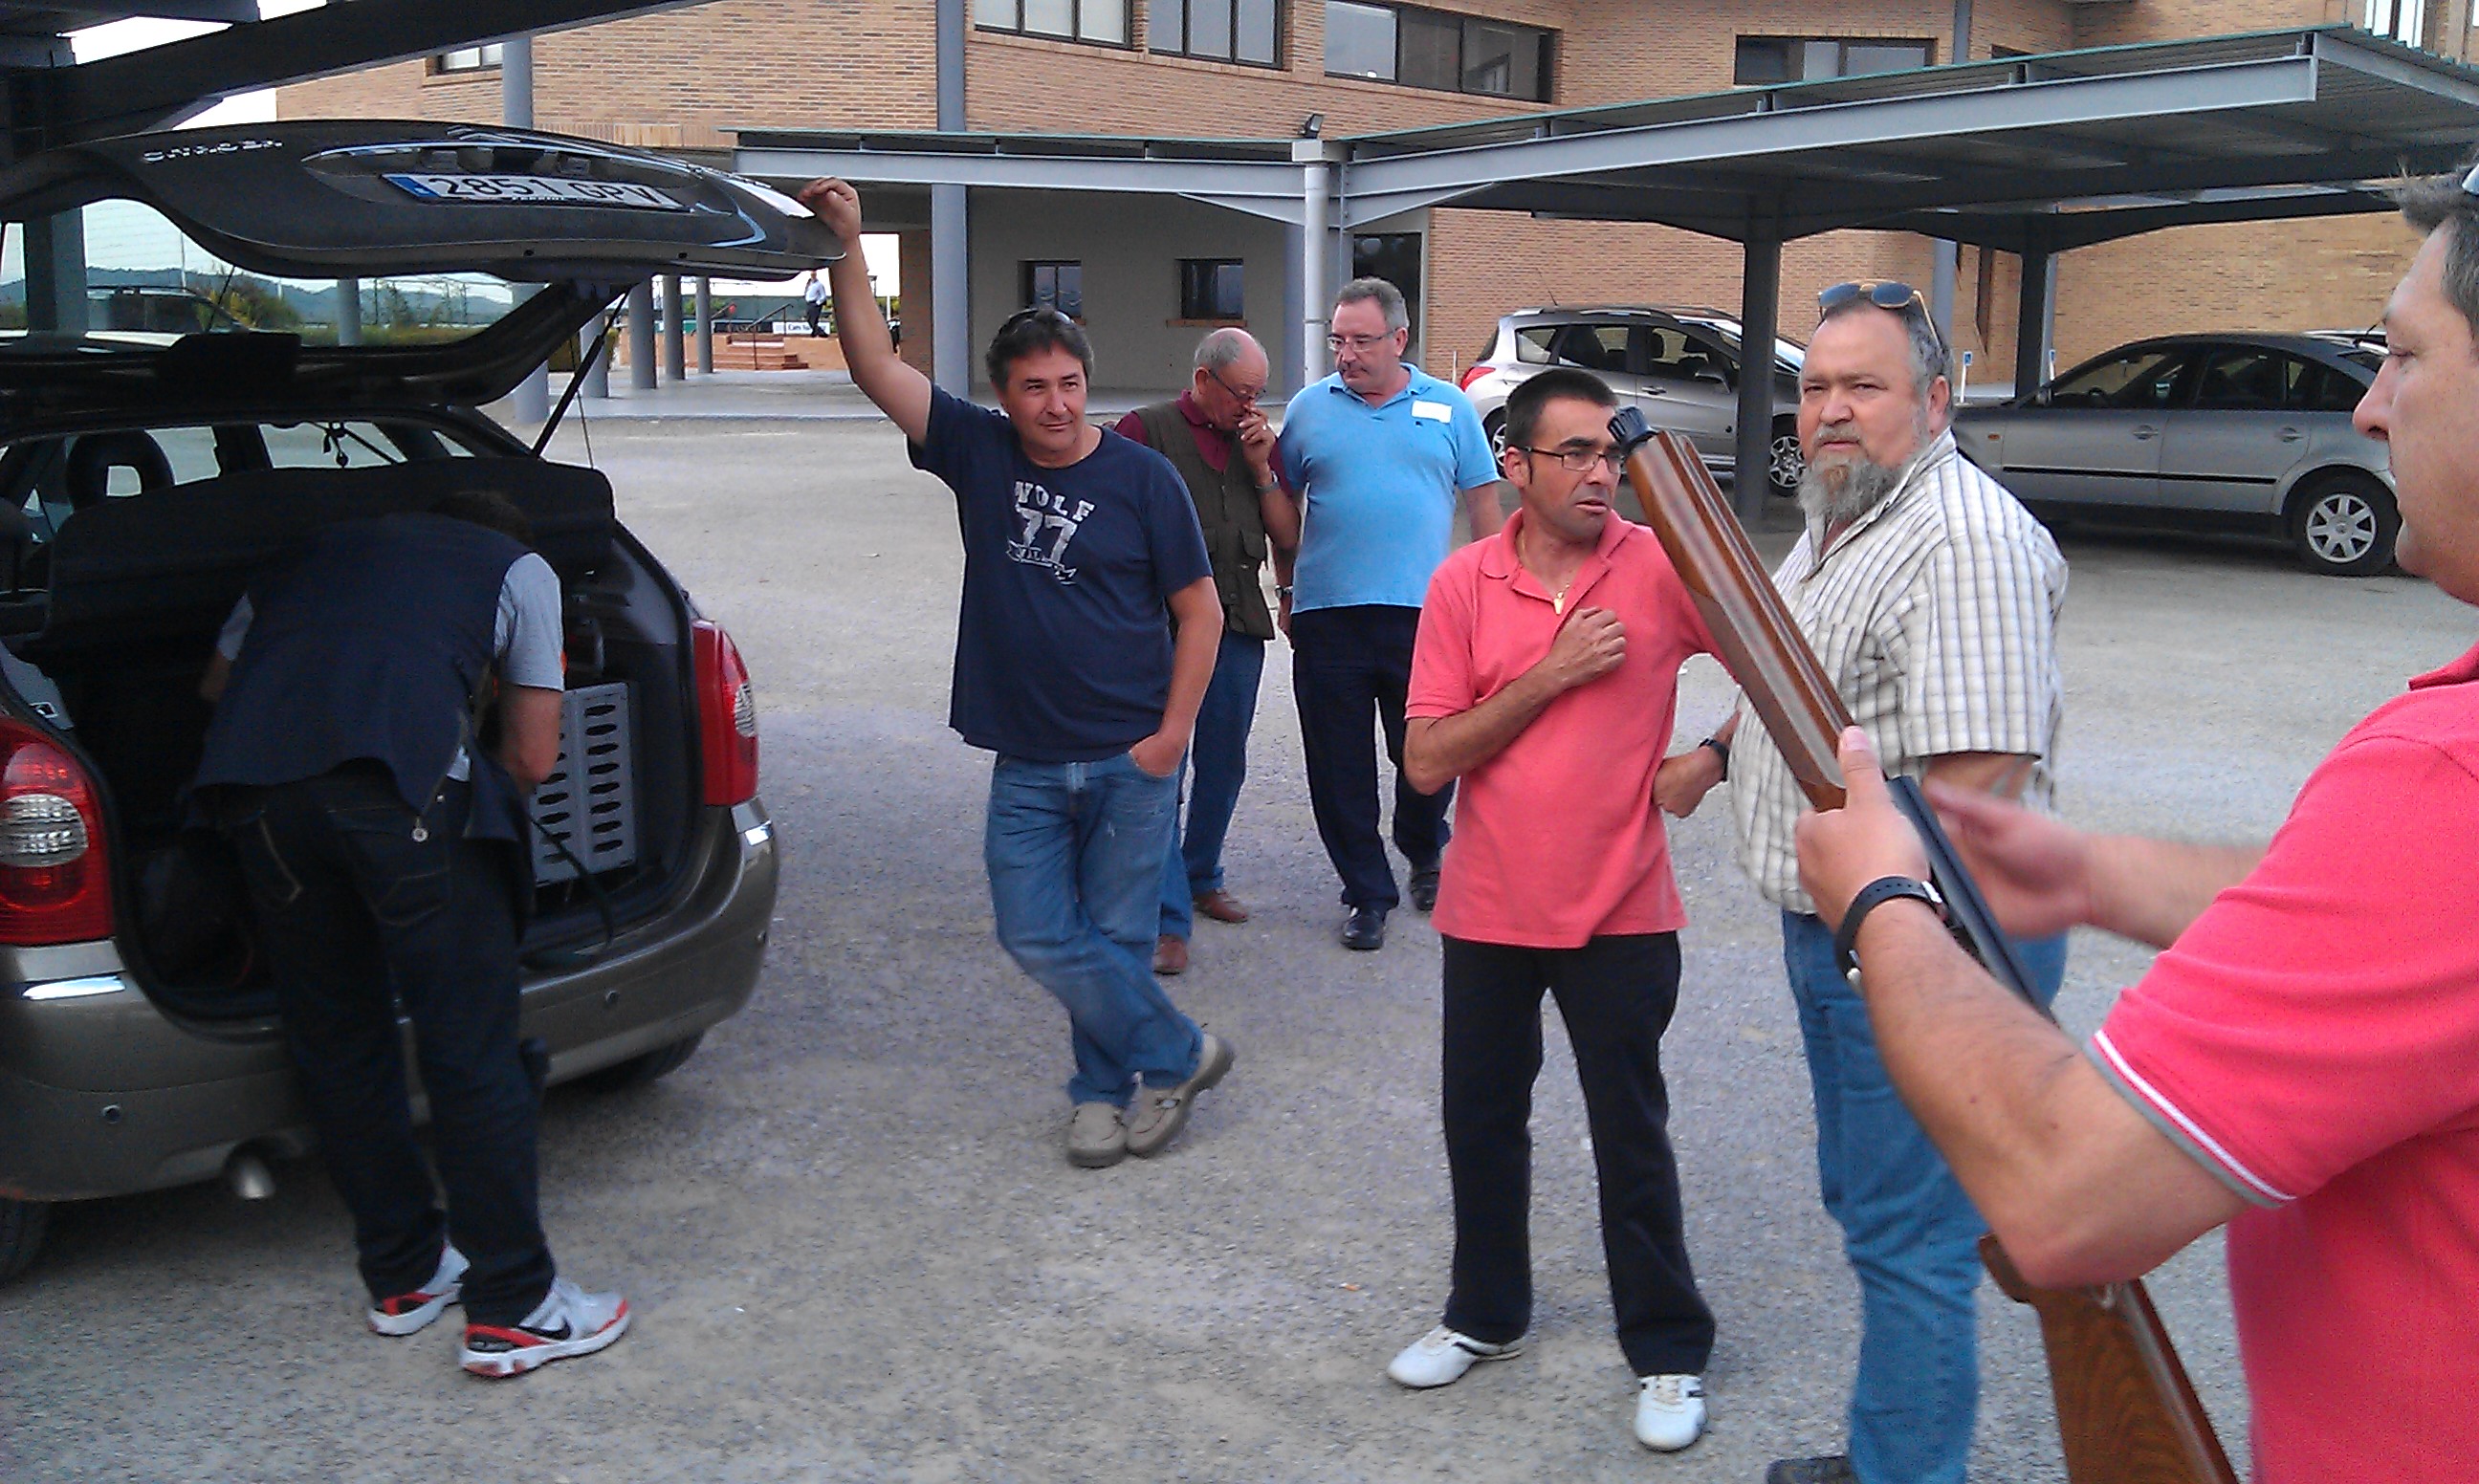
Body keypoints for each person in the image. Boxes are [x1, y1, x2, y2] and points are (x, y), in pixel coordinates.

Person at [1791, 164, 2479, 1484]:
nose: (2367, 404)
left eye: (2402, 354)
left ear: (1932, 401)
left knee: (1910, 1235)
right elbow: (2391, 933)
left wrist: (1882, 903)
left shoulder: (2443, 784)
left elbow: (2064, 1197)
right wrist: (2101, 874)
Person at [1659, 281, 2069, 1484]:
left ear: (1936, 402)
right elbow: (1808, 676)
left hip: (1927, 946)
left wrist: (1894, 955)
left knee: (1911, 1236)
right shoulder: (1851, 510)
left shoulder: (1963, 541)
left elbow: (1973, 789)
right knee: (1881, 1208)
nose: (1830, 409)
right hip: (1855, 934)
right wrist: (1717, 753)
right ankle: (1898, 1446)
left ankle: (1905, 1470)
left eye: (1864, 386)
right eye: (1817, 386)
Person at [799, 176, 1234, 1169]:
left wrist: (1171, 738)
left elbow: (1201, 612)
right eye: (1034, 387)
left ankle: (1100, 1097)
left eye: (1069, 383)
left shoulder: (1144, 478)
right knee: (1036, 934)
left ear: (1088, 381)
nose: (1055, 403)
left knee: (1115, 940)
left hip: (1130, 754)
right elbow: (874, 364)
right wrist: (849, 245)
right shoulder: (979, 452)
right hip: (1029, 759)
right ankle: (1180, 1053)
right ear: (1005, 395)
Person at [192, 490, 628, 1379]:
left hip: (258, 803)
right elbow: (533, 756)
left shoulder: (306, 555)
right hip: (406, 804)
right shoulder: (519, 569)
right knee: (471, 1048)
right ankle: (516, 1307)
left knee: (338, 1037)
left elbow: (215, 688)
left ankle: (404, 1273)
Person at [1388, 368, 1720, 1451]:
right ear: (1515, 465)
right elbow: (1426, 761)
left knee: (1630, 1131)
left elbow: (1784, 657)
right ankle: (1486, 1315)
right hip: (1488, 906)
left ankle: (1667, 1348)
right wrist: (1551, 673)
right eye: (1573, 452)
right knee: (1480, 1122)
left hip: (1623, 906)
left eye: (1610, 454)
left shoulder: (1660, 564)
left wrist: (1711, 757)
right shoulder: (1463, 583)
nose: (1599, 473)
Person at [1275, 276, 1503, 951]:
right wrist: (1285, 591)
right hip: (1329, 616)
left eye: (1362, 340)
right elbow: (1283, 512)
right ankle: (1366, 892)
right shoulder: (1309, 410)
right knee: (1337, 765)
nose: (1346, 354)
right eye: (1338, 341)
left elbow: (1485, 512)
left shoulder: (1450, 406)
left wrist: (1493, 602)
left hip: (1426, 617)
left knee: (1428, 754)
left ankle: (1424, 848)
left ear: (1400, 338)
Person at [1112, 328, 1299, 976]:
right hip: (1160, 632)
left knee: (1225, 762)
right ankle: (1167, 918)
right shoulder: (1144, 431)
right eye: (1241, 393)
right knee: (1163, 763)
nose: (1251, 406)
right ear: (1202, 381)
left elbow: (1287, 536)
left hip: (1237, 626)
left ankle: (1201, 874)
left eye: (1259, 393)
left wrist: (1262, 469)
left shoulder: (1257, 444)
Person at [801, 269, 827, 337]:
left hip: (815, 303)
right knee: (809, 319)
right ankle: (817, 332)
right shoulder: (809, 284)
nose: (812, 276)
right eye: (811, 274)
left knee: (813, 319)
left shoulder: (819, 285)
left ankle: (820, 333)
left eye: (814, 274)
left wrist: (817, 303)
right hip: (809, 303)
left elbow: (823, 296)